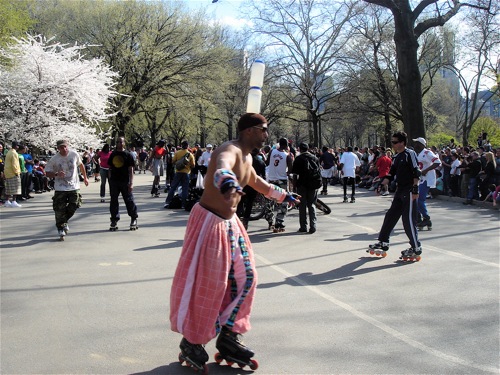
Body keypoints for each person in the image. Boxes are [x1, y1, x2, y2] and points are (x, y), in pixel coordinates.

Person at [170, 113, 299, 371]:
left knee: (246, 277)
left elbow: (256, 182)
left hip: (230, 224)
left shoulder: (249, 156)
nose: (267, 134)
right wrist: (226, 181)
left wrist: (283, 195)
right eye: (263, 130)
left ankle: (229, 336)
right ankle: (192, 342)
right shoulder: (229, 149)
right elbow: (222, 167)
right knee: (210, 284)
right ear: (250, 131)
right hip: (210, 222)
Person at [367, 131, 422, 260]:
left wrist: (415, 189)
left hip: (409, 190)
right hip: (399, 190)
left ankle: (416, 247)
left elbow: (416, 172)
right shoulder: (397, 157)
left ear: (402, 143)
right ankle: (383, 241)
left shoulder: (410, 154)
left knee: (408, 220)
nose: (393, 144)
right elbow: (390, 174)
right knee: (390, 216)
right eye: (392, 142)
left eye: (395, 142)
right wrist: (381, 185)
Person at [45, 140, 89, 240]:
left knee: (75, 204)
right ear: (58, 149)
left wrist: (85, 178)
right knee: (59, 209)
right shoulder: (54, 159)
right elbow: (47, 172)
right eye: (61, 147)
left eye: (65, 147)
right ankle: (60, 228)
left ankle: (63, 222)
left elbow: (81, 165)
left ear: (67, 146)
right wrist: (56, 174)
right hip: (60, 187)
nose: (64, 149)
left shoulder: (74, 154)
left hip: (74, 186)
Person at [108, 137, 138, 231]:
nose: (119, 144)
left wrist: (131, 183)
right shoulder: (113, 154)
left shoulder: (128, 155)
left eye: (121, 142)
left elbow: (131, 169)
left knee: (129, 200)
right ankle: (114, 220)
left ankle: (133, 218)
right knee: (113, 201)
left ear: (124, 143)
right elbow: (110, 168)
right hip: (114, 181)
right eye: (118, 142)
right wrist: (110, 180)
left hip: (125, 181)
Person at [266, 137, 294, 232]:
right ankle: (279, 221)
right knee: (283, 202)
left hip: (272, 179)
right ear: (286, 145)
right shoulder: (287, 156)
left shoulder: (272, 152)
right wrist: (286, 172)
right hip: (282, 180)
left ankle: (270, 221)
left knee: (270, 201)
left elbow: (267, 162)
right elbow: (290, 169)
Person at [413, 137, 441, 230]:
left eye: (416, 143)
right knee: (415, 198)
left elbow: (437, 162)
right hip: (421, 179)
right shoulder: (418, 154)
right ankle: (420, 219)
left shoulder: (427, 153)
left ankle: (426, 218)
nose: (415, 145)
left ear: (421, 144)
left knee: (419, 198)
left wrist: (426, 170)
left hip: (427, 179)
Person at [292, 142, 320, 234]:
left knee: (302, 206)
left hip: (302, 185)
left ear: (299, 149)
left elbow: (295, 175)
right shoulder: (315, 158)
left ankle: (303, 226)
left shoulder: (298, 159)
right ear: (308, 149)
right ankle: (313, 226)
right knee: (312, 204)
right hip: (313, 185)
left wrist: (294, 187)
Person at [164, 140, 195, 209]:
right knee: (185, 189)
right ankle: (183, 204)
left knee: (173, 187)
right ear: (187, 146)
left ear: (181, 146)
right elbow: (193, 165)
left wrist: (178, 163)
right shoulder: (190, 154)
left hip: (178, 172)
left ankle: (168, 201)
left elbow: (173, 161)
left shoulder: (177, 153)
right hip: (186, 173)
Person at [3, 141, 22, 208]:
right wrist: (17, 172)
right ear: (16, 146)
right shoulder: (14, 153)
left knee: (8, 188)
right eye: (18, 145)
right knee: (15, 188)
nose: (18, 147)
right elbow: (15, 164)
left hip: (7, 172)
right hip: (13, 172)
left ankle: (7, 201)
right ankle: (14, 201)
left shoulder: (9, 152)